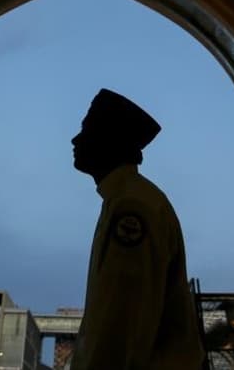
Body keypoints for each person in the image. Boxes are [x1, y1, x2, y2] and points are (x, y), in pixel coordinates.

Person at [70, 88, 205, 370]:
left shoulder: (131, 206)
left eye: (86, 130)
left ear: (109, 140)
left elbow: (120, 323)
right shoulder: (129, 199)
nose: (75, 139)